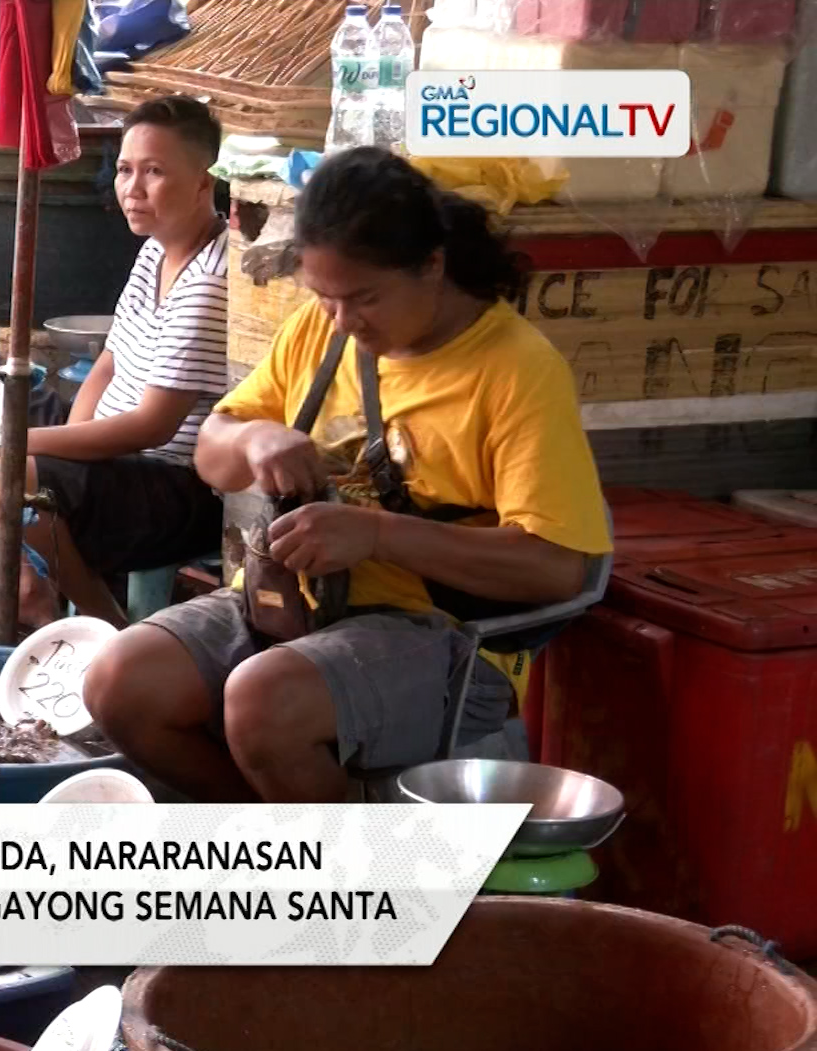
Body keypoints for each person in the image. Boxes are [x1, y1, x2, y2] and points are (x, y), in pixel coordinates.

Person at [81, 146, 613, 803]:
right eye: (326, 297)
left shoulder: (515, 370)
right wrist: (256, 437)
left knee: (261, 702)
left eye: (364, 298)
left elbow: (557, 567)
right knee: (116, 682)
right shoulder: (322, 328)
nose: (344, 321)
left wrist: (376, 535)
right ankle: (285, 847)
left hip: (445, 636)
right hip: (292, 606)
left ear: (432, 265)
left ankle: (363, 880)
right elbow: (210, 451)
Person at [0, 95, 229, 630]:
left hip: (172, 484)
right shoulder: (155, 250)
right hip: (114, 452)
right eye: (125, 169)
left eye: (155, 172)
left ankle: (104, 624)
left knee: (2, 478)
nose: (132, 188)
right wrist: (64, 447)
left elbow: (151, 426)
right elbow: (109, 364)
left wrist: (14, 443)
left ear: (202, 185)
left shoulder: (211, 280)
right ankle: (31, 590)